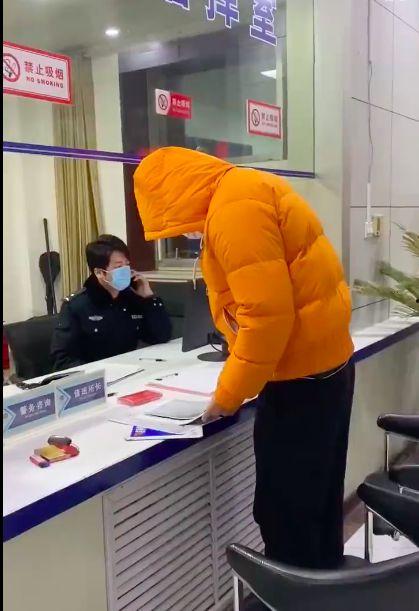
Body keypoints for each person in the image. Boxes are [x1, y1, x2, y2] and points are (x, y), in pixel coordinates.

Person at [134, 147, 355, 570]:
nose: (184, 232)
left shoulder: (233, 210)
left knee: (287, 514)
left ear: (173, 196)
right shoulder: (247, 188)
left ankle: (296, 595)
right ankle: (326, 588)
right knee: (318, 503)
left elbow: (266, 317)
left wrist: (228, 394)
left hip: (299, 383)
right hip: (324, 367)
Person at [51, 235, 171, 371]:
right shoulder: (77, 306)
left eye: (127, 265)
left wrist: (149, 298)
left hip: (131, 371)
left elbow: (161, 336)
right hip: (96, 377)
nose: (126, 270)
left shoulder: (131, 298)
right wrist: (98, 374)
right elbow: (62, 360)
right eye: (119, 266)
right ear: (99, 272)